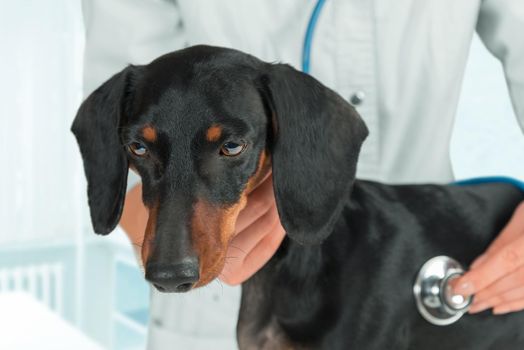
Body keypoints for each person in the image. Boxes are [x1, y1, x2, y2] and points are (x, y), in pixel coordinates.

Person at [81, 0, 524, 348]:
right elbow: (127, 127)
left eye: (231, 145)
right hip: (217, 313)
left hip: (428, 273)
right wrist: (187, 247)